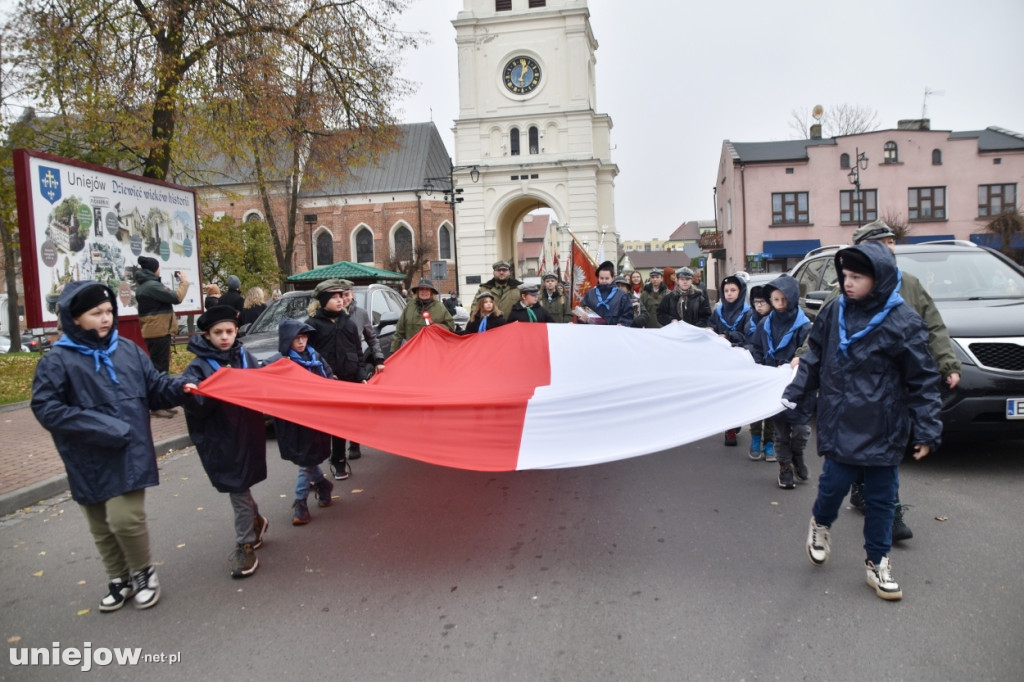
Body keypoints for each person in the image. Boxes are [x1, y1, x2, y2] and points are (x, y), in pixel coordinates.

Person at [785, 240, 942, 601]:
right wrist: (797, 394)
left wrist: (927, 428)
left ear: (880, 278)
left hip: (884, 427)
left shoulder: (904, 321)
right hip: (841, 420)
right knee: (833, 486)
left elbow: (923, 380)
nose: (847, 283)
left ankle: (877, 563)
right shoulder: (834, 311)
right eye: (845, 276)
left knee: (883, 500)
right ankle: (820, 525)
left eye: (857, 276)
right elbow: (814, 356)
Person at [31, 281, 193, 612]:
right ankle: (119, 578)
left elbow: (156, 388)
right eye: (96, 313)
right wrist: (102, 427)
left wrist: (182, 386)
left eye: (108, 311)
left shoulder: (128, 350)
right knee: (100, 524)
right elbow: (47, 408)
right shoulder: (57, 361)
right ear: (75, 318)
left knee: (125, 519)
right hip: (85, 456)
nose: (106, 319)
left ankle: (143, 573)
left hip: (128, 449)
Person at [796, 219, 961, 542]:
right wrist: (801, 359)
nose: (889, 248)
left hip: (888, 394)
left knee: (883, 472)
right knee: (840, 475)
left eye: (890, 242)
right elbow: (822, 335)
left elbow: (933, 326)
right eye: (880, 243)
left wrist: (948, 362)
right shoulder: (845, 291)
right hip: (849, 401)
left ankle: (885, 522)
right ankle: (843, 507)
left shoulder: (909, 285)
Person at [181, 305, 269, 579]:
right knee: (237, 487)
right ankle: (245, 542)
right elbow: (193, 400)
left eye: (229, 331)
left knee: (241, 484)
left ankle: (256, 521)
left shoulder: (245, 356)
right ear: (206, 334)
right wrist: (192, 392)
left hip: (247, 433)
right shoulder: (198, 366)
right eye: (218, 332)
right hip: (221, 438)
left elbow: (262, 383)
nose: (225, 337)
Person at [269, 319, 336, 525]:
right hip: (294, 421)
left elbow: (329, 377)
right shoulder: (280, 364)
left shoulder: (315, 357)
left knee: (307, 462)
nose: (301, 342)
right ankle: (319, 489)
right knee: (306, 461)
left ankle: (302, 501)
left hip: (316, 417)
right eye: (296, 338)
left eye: (304, 337)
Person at [750, 274, 812, 489]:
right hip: (774, 386)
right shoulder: (766, 323)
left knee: (801, 430)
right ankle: (785, 467)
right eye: (775, 300)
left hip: (799, 387)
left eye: (784, 299)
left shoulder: (804, 326)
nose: (780, 304)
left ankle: (797, 455)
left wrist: (797, 359)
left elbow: (812, 349)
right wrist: (761, 365)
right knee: (781, 431)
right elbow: (756, 347)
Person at [306, 279, 367, 480]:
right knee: (325, 425)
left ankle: (339, 461)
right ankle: (315, 468)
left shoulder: (348, 323)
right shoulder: (312, 325)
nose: (340, 301)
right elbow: (308, 353)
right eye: (334, 297)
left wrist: (360, 374)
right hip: (325, 381)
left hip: (348, 378)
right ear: (323, 300)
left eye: (341, 296)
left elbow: (358, 350)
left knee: (344, 420)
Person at [134, 256, 189, 417]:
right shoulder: (151, 286)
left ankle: (163, 402)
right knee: (159, 369)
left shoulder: (148, 285)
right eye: (158, 267)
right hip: (157, 332)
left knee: (162, 368)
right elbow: (176, 297)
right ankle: (156, 405)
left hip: (158, 330)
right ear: (154, 269)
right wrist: (184, 282)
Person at [339, 284, 386, 459]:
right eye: (340, 295)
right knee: (337, 410)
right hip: (334, 366)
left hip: (354, 363)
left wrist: (378, 359)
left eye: (346, 294)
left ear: (352, 295)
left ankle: (354, 443)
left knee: (353, 408)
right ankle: (338, 449)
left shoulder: (360, 314)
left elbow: (372, 338)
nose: (343, 299)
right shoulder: (330, 315)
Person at [709, 273, 753, 446]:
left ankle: (737, 420)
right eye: (726, 290)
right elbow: (712, 324)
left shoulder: (748, 312)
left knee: (738, 393)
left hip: (740, 358)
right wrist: (710, 330)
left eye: (733, 290)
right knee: (725, 393)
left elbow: (750, 334)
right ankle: (730, 429)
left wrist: (728, 336)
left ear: (740, 292)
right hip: (722, 359)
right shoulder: (718, 311)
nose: (729, 293)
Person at [745, 285, 775, 461]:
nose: (759, 306)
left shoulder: (774, 320)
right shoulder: (751, 319)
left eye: (762, 302)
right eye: (756, 302)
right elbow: (749, 342)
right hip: (755, 368)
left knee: (770, 407)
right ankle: (755, 439)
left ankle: (769, 442)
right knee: (755, 405)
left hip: (771, 369)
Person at [391, 278, 455, 351]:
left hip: (434, 351)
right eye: (422, 289)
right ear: (418, 291)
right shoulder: (410, 306)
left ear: (431, 292)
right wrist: (393, 352)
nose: (424, 292)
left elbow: (451, 327)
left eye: (427, 289)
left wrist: (437, 327)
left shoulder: (440, 307)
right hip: (412, 350)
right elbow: (399, 331)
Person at [580, 261, 633, 326]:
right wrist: (582, 319)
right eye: (601, 278)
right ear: (598, 278)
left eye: (607, 278)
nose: (604, 281)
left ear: (613, 278)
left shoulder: (622, 295)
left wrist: (622, 323)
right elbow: (583, 313)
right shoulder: (590, 294)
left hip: (614, 333)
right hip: (594, 333)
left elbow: (628, 315)